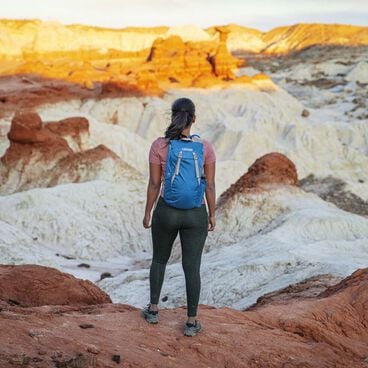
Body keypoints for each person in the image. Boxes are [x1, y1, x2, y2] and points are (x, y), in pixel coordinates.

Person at [141, 97, 216, 337]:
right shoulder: (205, 147)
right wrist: (212, 214)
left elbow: (154, 183)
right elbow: (210, 185)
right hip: (196, 214)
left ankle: (153, 310)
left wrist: (148, 212)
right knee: (191, 267)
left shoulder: (159, 146)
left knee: (160, 259)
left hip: (167, 212)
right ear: (193, 119)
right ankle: (192, 322)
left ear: (172, 117)